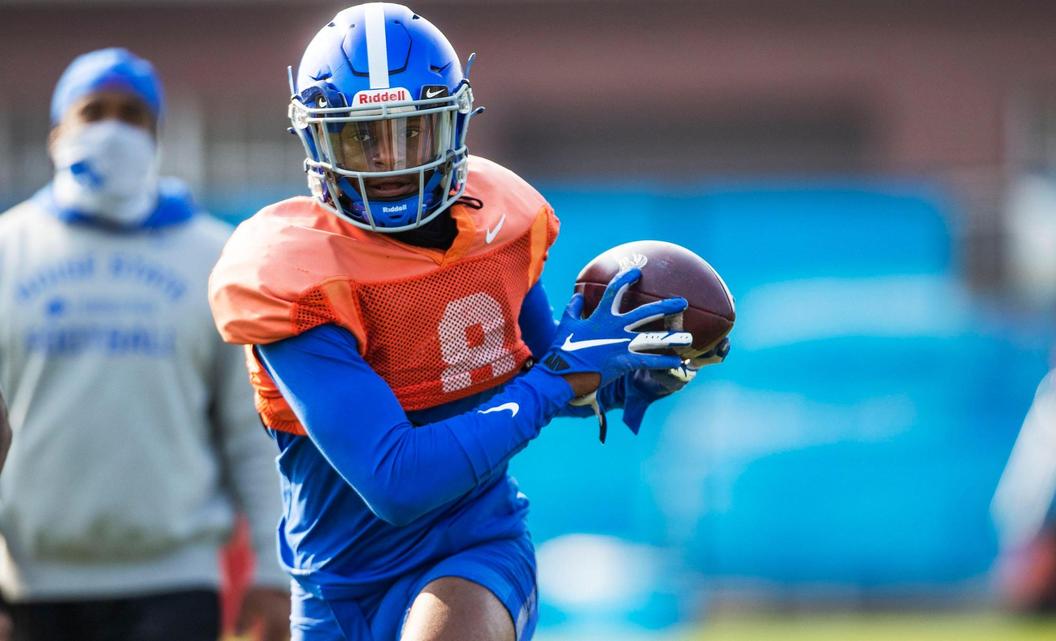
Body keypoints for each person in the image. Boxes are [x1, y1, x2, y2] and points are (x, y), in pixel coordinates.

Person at [207, 3, 727, 640]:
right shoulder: (295, 275)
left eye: (412, 131)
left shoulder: (497, 227)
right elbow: (396, 480)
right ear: (317, 139)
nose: (391, 163)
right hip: (336, 591)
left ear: (455, 123)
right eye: (362, 138)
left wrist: (621, 375)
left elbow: (542, 370)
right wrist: (561, 378)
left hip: (474, 552)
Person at [0, 48, 290, 641]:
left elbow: (251, 426)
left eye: (132, 115)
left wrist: (271, 569)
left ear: (156, 134)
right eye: (93, 111)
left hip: (176, 582)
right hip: (31, 585)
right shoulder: (8, 249)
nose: (113, 129)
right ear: (57, 133)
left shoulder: (212, 255)